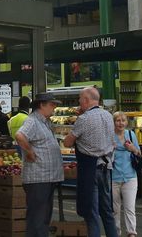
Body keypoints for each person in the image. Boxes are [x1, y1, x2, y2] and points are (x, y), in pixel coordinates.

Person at [63, 86, 117, 237]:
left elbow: (67, 142)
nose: (79, 102)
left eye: (80, 99)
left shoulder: (84, 119)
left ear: (86, 100)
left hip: (90, 169)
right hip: (107, 167)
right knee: (107, 211)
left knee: (91, 212)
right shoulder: (108, 115)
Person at [15, 93, 63, 237]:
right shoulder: (33, 121)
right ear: (41, 105)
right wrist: (29, 151)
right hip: (38, 178)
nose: (54, 107)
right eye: (52, 104)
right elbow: (20, 135)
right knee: (38, 218)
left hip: (47, 177)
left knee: (43, 218)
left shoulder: (45, 121)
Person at [111, 111, 141, 237]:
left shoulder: (131, 134)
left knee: (129, 208)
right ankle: (116, 232)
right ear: (113, 122)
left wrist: (132, 148)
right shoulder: (109, 136)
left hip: (130, 176)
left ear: (127, 122)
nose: (121, 123)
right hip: (113, 176)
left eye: (123, 120)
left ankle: (131, 233)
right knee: (115, 209)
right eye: (118, 120)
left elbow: (138, 153)